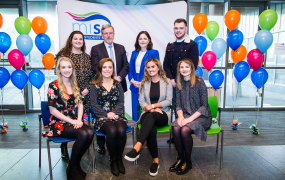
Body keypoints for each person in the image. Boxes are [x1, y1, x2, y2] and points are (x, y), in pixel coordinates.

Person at [47, 57, 94, 180]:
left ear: (72, 69)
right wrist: (73, 121)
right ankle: (72, 168)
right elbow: (52, 110)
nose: (67, 70)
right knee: (83, 135)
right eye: (63, 67)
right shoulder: (53, 85)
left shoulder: (74, 84)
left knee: (89, 133)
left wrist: (79, 120)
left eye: (69, 67)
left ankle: (75, 165)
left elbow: (80, 104)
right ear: (59, 69)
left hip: (73, 119)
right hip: (59, 122)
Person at [124, 58, 172, 177]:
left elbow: (169, 101)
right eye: (148, 67)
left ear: (158, 67)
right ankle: (156, 161)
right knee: (151, 128)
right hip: (148, 113)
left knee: (152, 117)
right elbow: (141, 101)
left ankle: (137, 147)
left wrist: (154, 106)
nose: (150, 69)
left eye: (153, 67)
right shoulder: (144, 82)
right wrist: (150, 108)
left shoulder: (167, 81)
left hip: (163, 113)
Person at [55, 31, 94, 160]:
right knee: (67, 118)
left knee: (81, 120)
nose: (78, 41)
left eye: (81, 39)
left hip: (84, 95)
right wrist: (72, 89)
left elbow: (93, 76)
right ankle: (64, 146)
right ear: (71, 40)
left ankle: (81, 145)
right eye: (75, 38)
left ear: (83, 41)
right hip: (68, 93)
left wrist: (87, 89)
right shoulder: (64, 55)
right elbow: (60, 74)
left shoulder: (87, 57)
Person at [91, 24, 129, 154]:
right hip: (102, 85)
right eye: (105, 33)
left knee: (117, 110)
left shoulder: (121, 48)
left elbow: (125, 65)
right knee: (107, 125)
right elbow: (95, 66)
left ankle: (116, 153)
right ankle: (101, 144)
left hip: (117, 84)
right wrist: (109, 76)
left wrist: (118, 77)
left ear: (114, 34)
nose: (108, 35)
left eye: (110, 33)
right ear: (102, 35)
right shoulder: (96, 48)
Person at [169, 59, 212, 175]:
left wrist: (188, 119)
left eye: (186, 67)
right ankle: (180, 159)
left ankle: (187, 161)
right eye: (181, 67)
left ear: (192, 68)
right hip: (186, 115)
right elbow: (177, 105)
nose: (184, 69)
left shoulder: (199, 82)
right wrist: (180, 117)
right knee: (176, 128)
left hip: (202, 116)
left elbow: (204, 105)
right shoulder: (179, 84)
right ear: (179, 70)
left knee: (184, 130)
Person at [163, 18, 199, 144]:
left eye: (181, 28)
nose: (178, 30)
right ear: (174, 29)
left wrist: (180, 79)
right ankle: (176, 135)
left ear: (186, 29)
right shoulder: (170, 45)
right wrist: (172, 79)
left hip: (187, 83)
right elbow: (166, 64)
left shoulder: (192, 45)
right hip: (173, 83)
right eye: (176, 28)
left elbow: (193, 64)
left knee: (186, 107)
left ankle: (185, 132)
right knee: (175, 107)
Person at [90, 58, 128, 176]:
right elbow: (94, 104)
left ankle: (119, 159)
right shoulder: (94, 85)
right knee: (112, 130)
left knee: (121, 130)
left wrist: (115, 113)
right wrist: (107, 114)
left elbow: (121, 102)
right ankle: (112, 160)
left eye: (110, 67)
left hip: (117, 114)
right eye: (104, 67)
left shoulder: (117, 83)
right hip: (101, 116)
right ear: (100, 68)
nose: (107, 69)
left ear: (113, 69)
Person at [128, 31, 159, 122]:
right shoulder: (134, 53)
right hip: (134, 85)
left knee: (146, 108)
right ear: (137, 41)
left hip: (147, 84)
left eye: (145, 38)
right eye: (140, 38)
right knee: (135, 109)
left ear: (149, 40)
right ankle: (137, 131)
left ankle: (146, 129)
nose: (142, 40)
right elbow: (130, 70)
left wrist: (143, 82)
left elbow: (154, 70)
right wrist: (132, 81)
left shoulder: (154, 52)